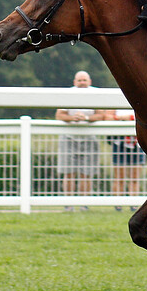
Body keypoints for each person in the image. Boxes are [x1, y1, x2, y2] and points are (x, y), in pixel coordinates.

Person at [55, 71, 107, 211]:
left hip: (90, 137)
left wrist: (86, 118)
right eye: (79, 80)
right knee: (69, 172)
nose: (82, 83)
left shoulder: (96, 93)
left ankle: (84, 203)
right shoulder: (68, 93)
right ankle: (68, 204)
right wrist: (73, 118)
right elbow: (59, 115)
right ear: (74, 82)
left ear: (89, 81)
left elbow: (101, 115)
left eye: (84, 80)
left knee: (87, 173)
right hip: (69, 137)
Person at [107, 109, 146, 211]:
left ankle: (133, 204)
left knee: (134, 177)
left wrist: (130, 118)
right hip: (119, 143)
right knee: (119, 177)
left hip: (137, 144)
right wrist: (121, 118)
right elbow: (107, 117)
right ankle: (118, 204)